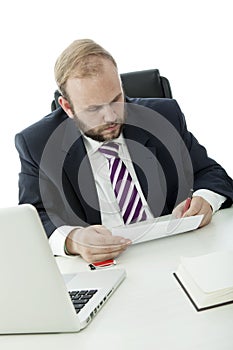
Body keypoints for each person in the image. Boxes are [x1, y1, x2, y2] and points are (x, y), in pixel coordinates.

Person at [15, 39, 233, 263]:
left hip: (177, 252)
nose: (110, 117)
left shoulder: (164, 116)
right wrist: (73, 239)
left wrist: (205, 199)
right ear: (67, 107)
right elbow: (32, 219)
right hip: (106, 267)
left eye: (116, 99)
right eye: (94, 109)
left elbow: (212, 173)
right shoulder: (36, 144)